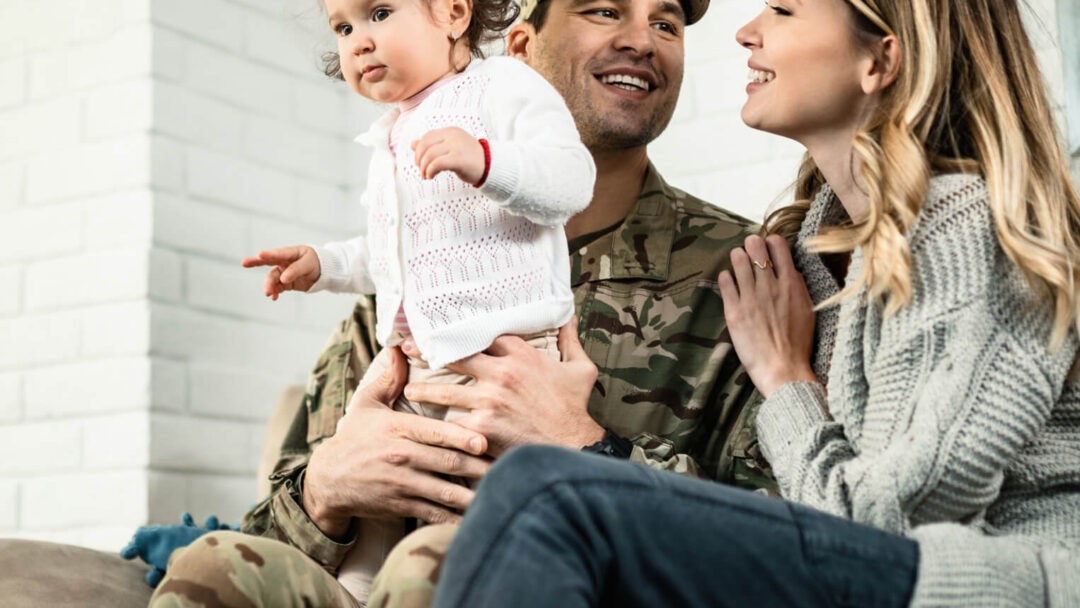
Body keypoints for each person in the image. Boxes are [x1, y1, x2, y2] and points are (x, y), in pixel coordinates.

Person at [430, 0, 1080, 606]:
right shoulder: (810, 256)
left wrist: (785, 381)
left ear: (879, 61)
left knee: (545, 496)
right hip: (900, 575)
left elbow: (888, 526)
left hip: (993, 584)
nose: (747, 31)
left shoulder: (968, 232)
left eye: (785, 9)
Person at [150, 0, 778, 602]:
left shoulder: (742, 275)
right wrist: (328, 488)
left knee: (436, 570)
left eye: (665, 22)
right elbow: (265, 535)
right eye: (604, 10)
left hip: (560, 585)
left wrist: (587, 449)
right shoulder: (407, 283)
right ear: (523, 47)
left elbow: (784, 556)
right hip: (373, 579)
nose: (642, 40)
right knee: (210, 568)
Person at [240, 0, 596, 598]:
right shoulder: (392, 133)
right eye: (344, 27)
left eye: (378, 12)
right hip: (413, 367)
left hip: (503, 363)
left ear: (454, 12)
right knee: (376, 500)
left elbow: (570, 181)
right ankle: (355, 593)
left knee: (462, 508)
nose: (357, 41)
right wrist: (324, 264)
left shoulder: (503, 85)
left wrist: (484, 159)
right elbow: (393, 253)